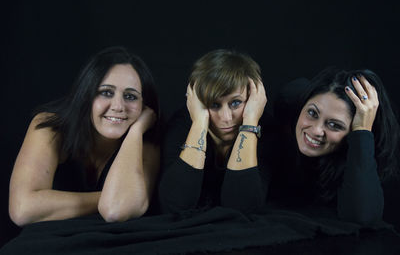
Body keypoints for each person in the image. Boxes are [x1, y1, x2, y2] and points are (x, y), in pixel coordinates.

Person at [9, 46, 160, 226]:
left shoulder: (146, 142)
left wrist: (136, 132)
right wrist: (109, 198)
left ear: (145, 106)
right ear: (86, 96)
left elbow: (117, 210)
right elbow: (22, 210)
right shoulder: (50, 126)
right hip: (49, 241)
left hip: (111, 243)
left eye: (130, 96)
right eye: (106, 92)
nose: (118, 106)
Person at [270, 67, 400, 225]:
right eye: (312, 113)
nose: (316, 131)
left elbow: (363, 217)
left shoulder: (362, 152)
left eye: (334, 125)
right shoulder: (289, 104)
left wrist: (362, 131)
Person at [158, 49, 270, 213]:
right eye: (214, 105)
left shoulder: (267, 129)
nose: (226, 117)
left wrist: (250, 123)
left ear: (254, 98)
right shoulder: (182, 123)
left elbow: (243, 208)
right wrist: (200, 121)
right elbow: (174, 205)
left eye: (236, 103)